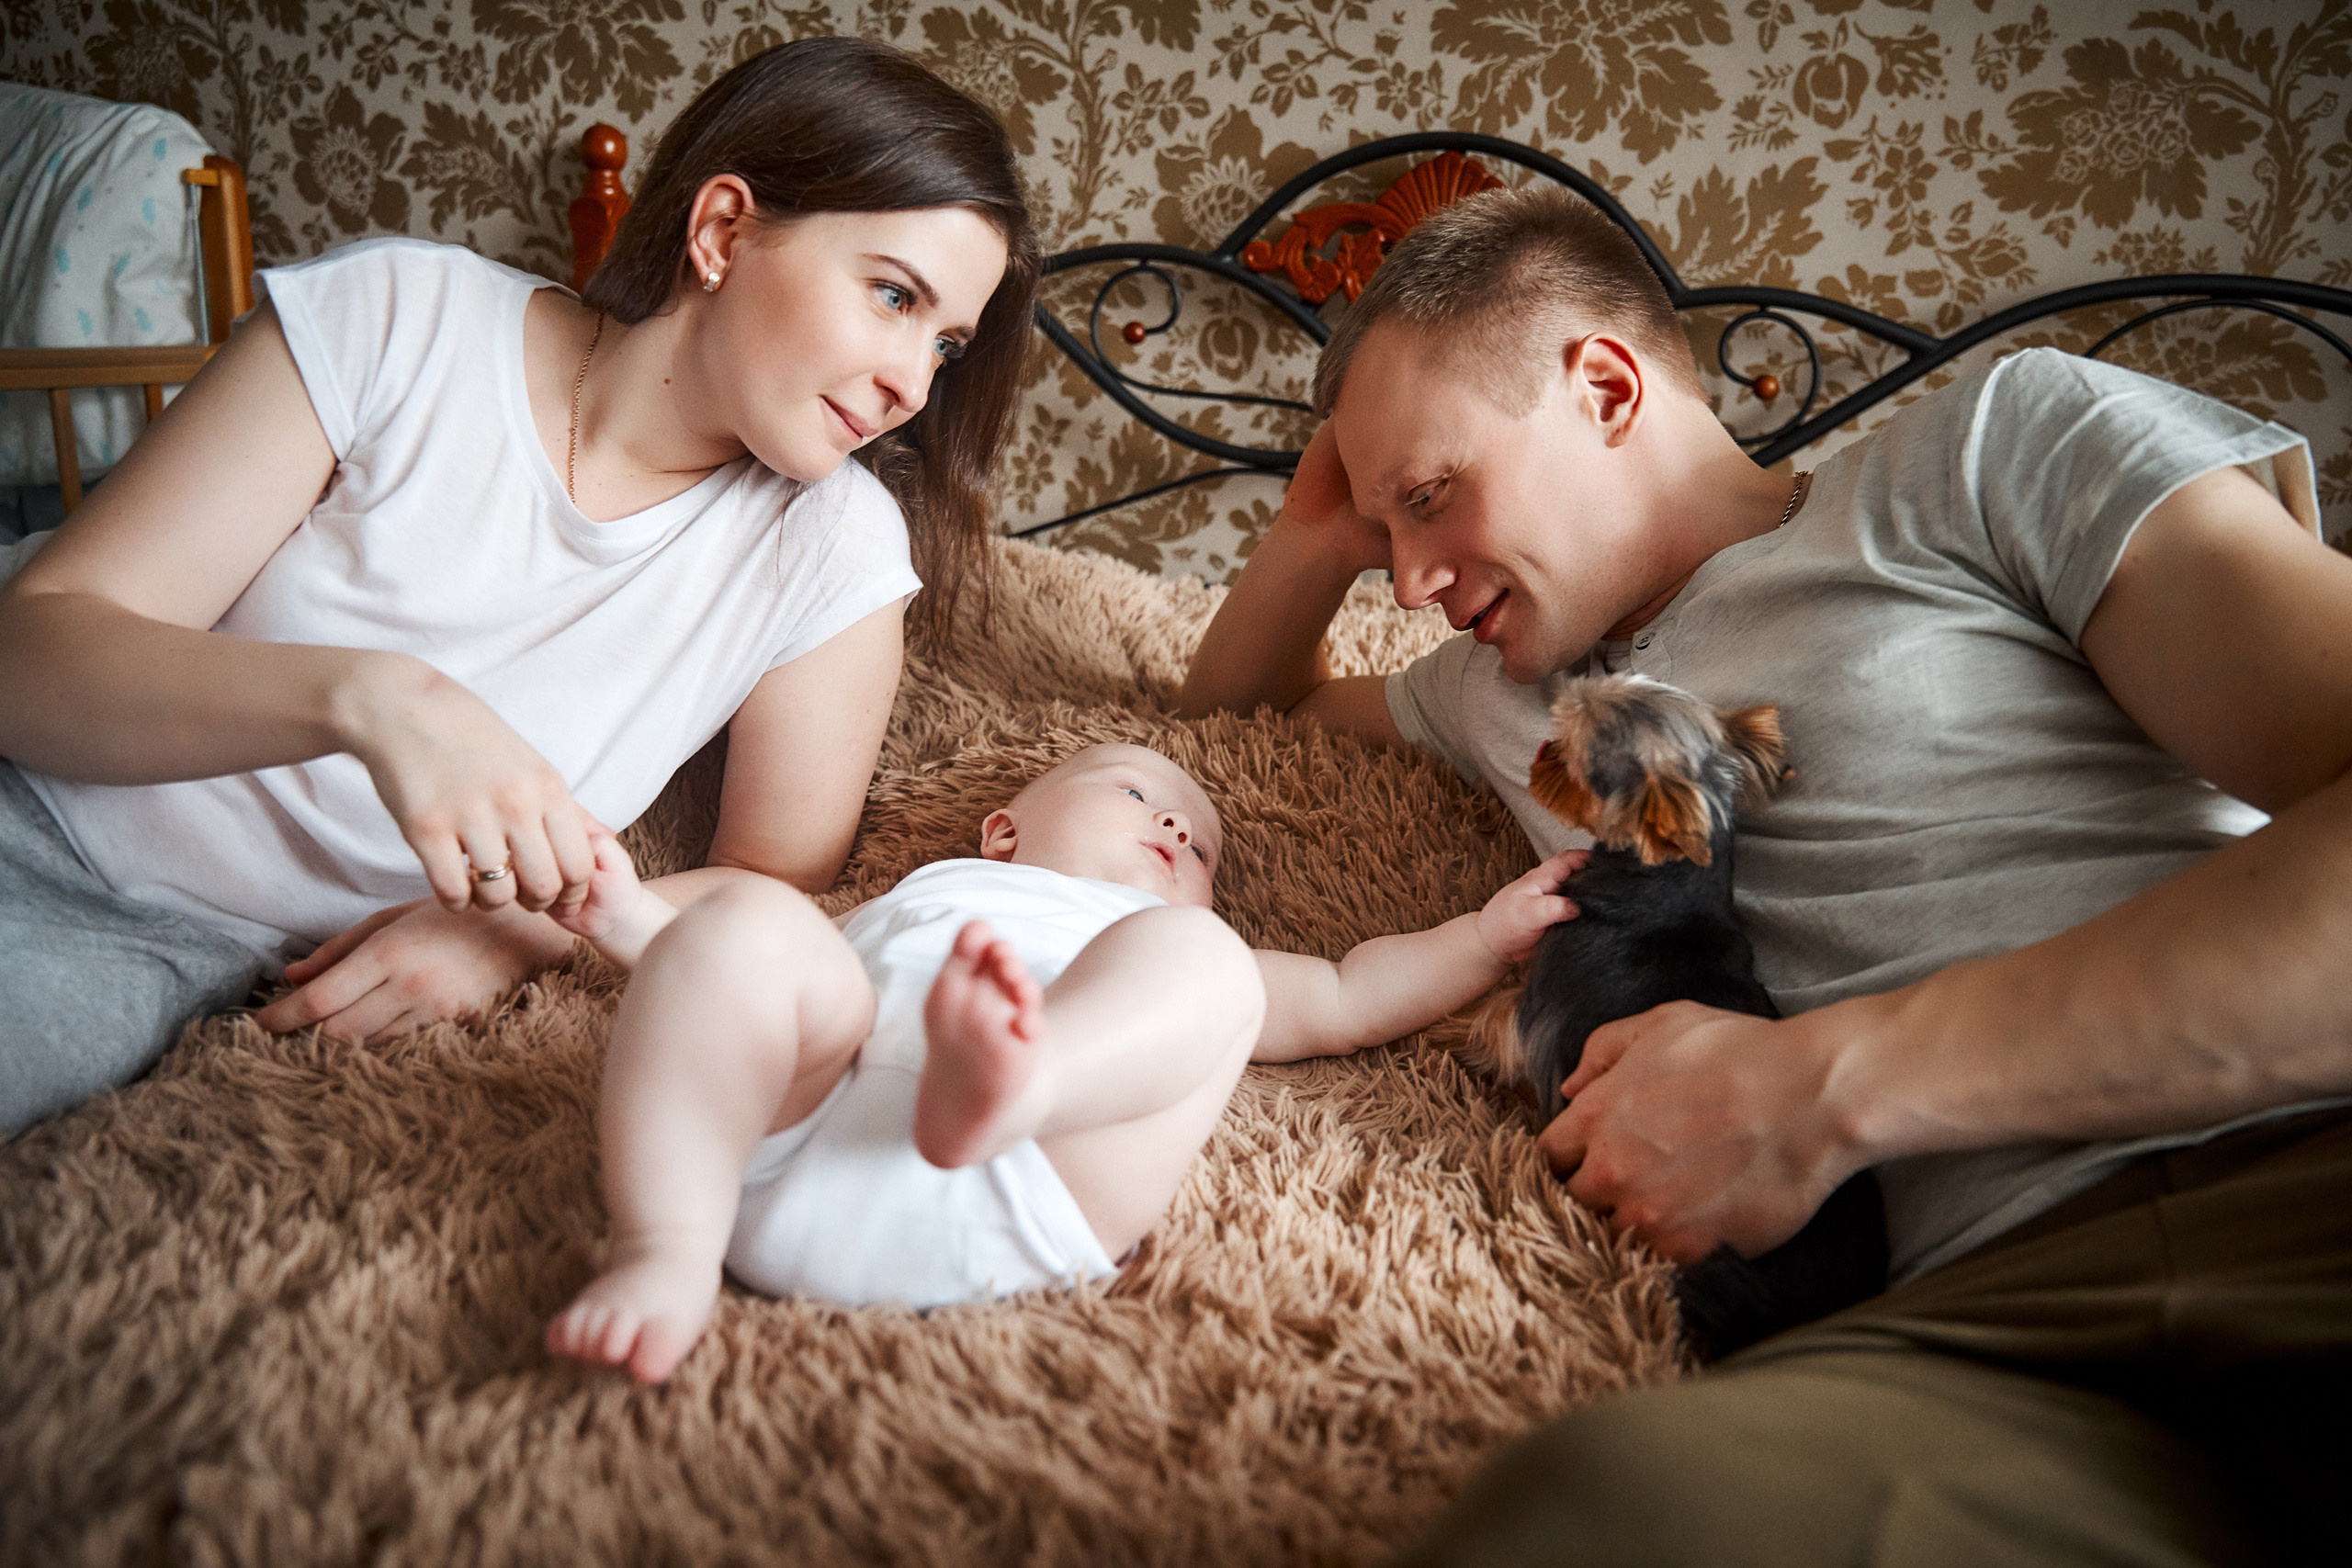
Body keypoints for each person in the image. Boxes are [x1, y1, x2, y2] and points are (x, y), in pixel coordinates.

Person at [1180, 184, 2352, 1563]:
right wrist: (1336, 522)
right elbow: (1235, 712)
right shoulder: (1501, 692)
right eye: (1392, 539)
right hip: (1966, 1344)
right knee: (1593, 1512)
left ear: (1607, 389)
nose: (1414, 581)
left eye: (1435, 499)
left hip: (2290, 1172)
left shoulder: (1984, 451)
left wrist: (1827, 1082)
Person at [0, 38, 1041, 1140]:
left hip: (180, 947)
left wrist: (517, 932)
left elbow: (769, 879)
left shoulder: (835, 552)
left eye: (947, 346)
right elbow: (31, 656)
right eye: (891, 296)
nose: (910, 385)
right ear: (722, 229)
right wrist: (383, 702)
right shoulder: (397, 319)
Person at [541, 740, 1586, 1385]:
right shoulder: (928, 891)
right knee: (757, 924)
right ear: (1004, 831)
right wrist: (635, 918)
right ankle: (667, 1247)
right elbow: (746, 988)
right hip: (795, 1133)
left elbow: (1354, 996)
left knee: (1207, 967)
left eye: (1203, 848)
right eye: (1136, 793)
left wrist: (1485, 938)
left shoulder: (1149, 932)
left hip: (1034, 1181)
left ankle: (1023, 1078)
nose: (1179, 825)